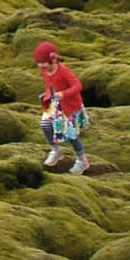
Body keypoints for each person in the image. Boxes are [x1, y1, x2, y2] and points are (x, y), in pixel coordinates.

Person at [34, 41, 90, 174]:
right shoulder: (44, 71)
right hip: (55, 103)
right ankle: (56, 151)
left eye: (44, 62)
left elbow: (78, 86)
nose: (41, 66)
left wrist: (64, 94)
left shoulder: (64, 71)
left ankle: (82, 161)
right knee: (45, 125)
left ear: (52, 60)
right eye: (39, 63)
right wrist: (47, 94)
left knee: (71, 135)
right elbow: (49, 84)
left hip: (70, 106)